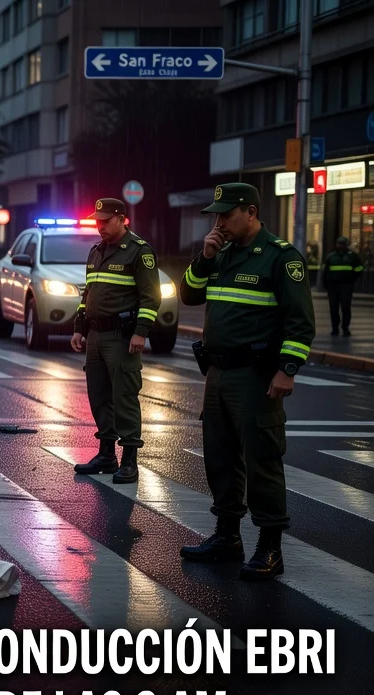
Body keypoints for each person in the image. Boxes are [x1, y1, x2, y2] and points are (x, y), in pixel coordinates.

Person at [177, 183, 315, 581]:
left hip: (256, 377)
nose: (219, 221)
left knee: (262, 460)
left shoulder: (280, 257)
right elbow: (188, 295)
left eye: (226, 213)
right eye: (216, 215)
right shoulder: (219, 254)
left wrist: (287, 369)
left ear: (251, 212)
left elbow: (300, 321)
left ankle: (270, 547)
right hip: (217, 374)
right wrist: (203, 258)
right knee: (220, 457)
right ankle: (226, 536)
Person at [69, 199, 162, 485]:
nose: (100, 226)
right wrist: (79, 327)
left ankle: (129, 461)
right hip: (96, 336)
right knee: (98, 396)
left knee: (124, 397)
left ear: (122, 219)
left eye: (105, 221)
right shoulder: (96, 251)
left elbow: (151, 297)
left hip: (122, 337)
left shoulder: (139, 252)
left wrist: (141, 332)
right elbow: (88, 295)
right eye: (97, 220)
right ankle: (107, 454)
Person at [322, 236, 362, 336]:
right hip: (333, 287)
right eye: (338, 243)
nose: (340, 245)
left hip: (346, 286)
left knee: (346, 308)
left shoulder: (352, 256)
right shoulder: (330, 256)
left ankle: (345, 328)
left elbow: (359, 269)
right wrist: (326, 285)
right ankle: (335, 328)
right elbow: (325, 271)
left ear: (346, 245)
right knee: (333, 309)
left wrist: (351, 279)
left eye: (342, 244)